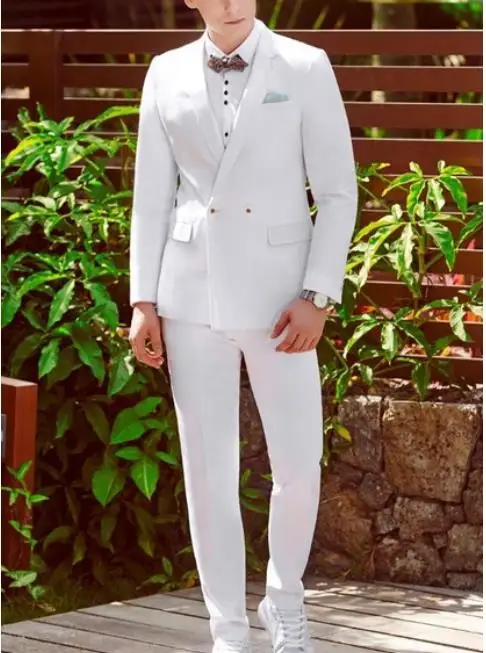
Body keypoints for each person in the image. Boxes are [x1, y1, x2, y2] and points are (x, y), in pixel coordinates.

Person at [128, 1, 357, 651]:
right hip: (189, 296)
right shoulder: (164, 71)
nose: (232, 2)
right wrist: (143, 299)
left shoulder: (305, 65)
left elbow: (337, 192)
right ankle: (227, 630)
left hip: (282, 300)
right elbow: (151, 197)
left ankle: (285, 600)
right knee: (207, 474)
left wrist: (318, 294)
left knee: (298, 465)